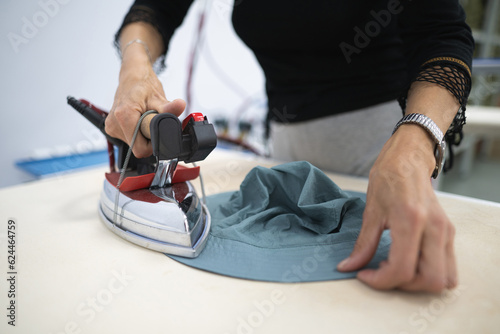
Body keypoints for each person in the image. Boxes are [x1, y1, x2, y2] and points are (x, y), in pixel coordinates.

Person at [105, 0, 474, 292]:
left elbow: (442, 33)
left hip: (389, 145)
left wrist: (416, 143)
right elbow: (154, 9)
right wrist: (135, 69)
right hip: (284, 144)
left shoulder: (404, 148)